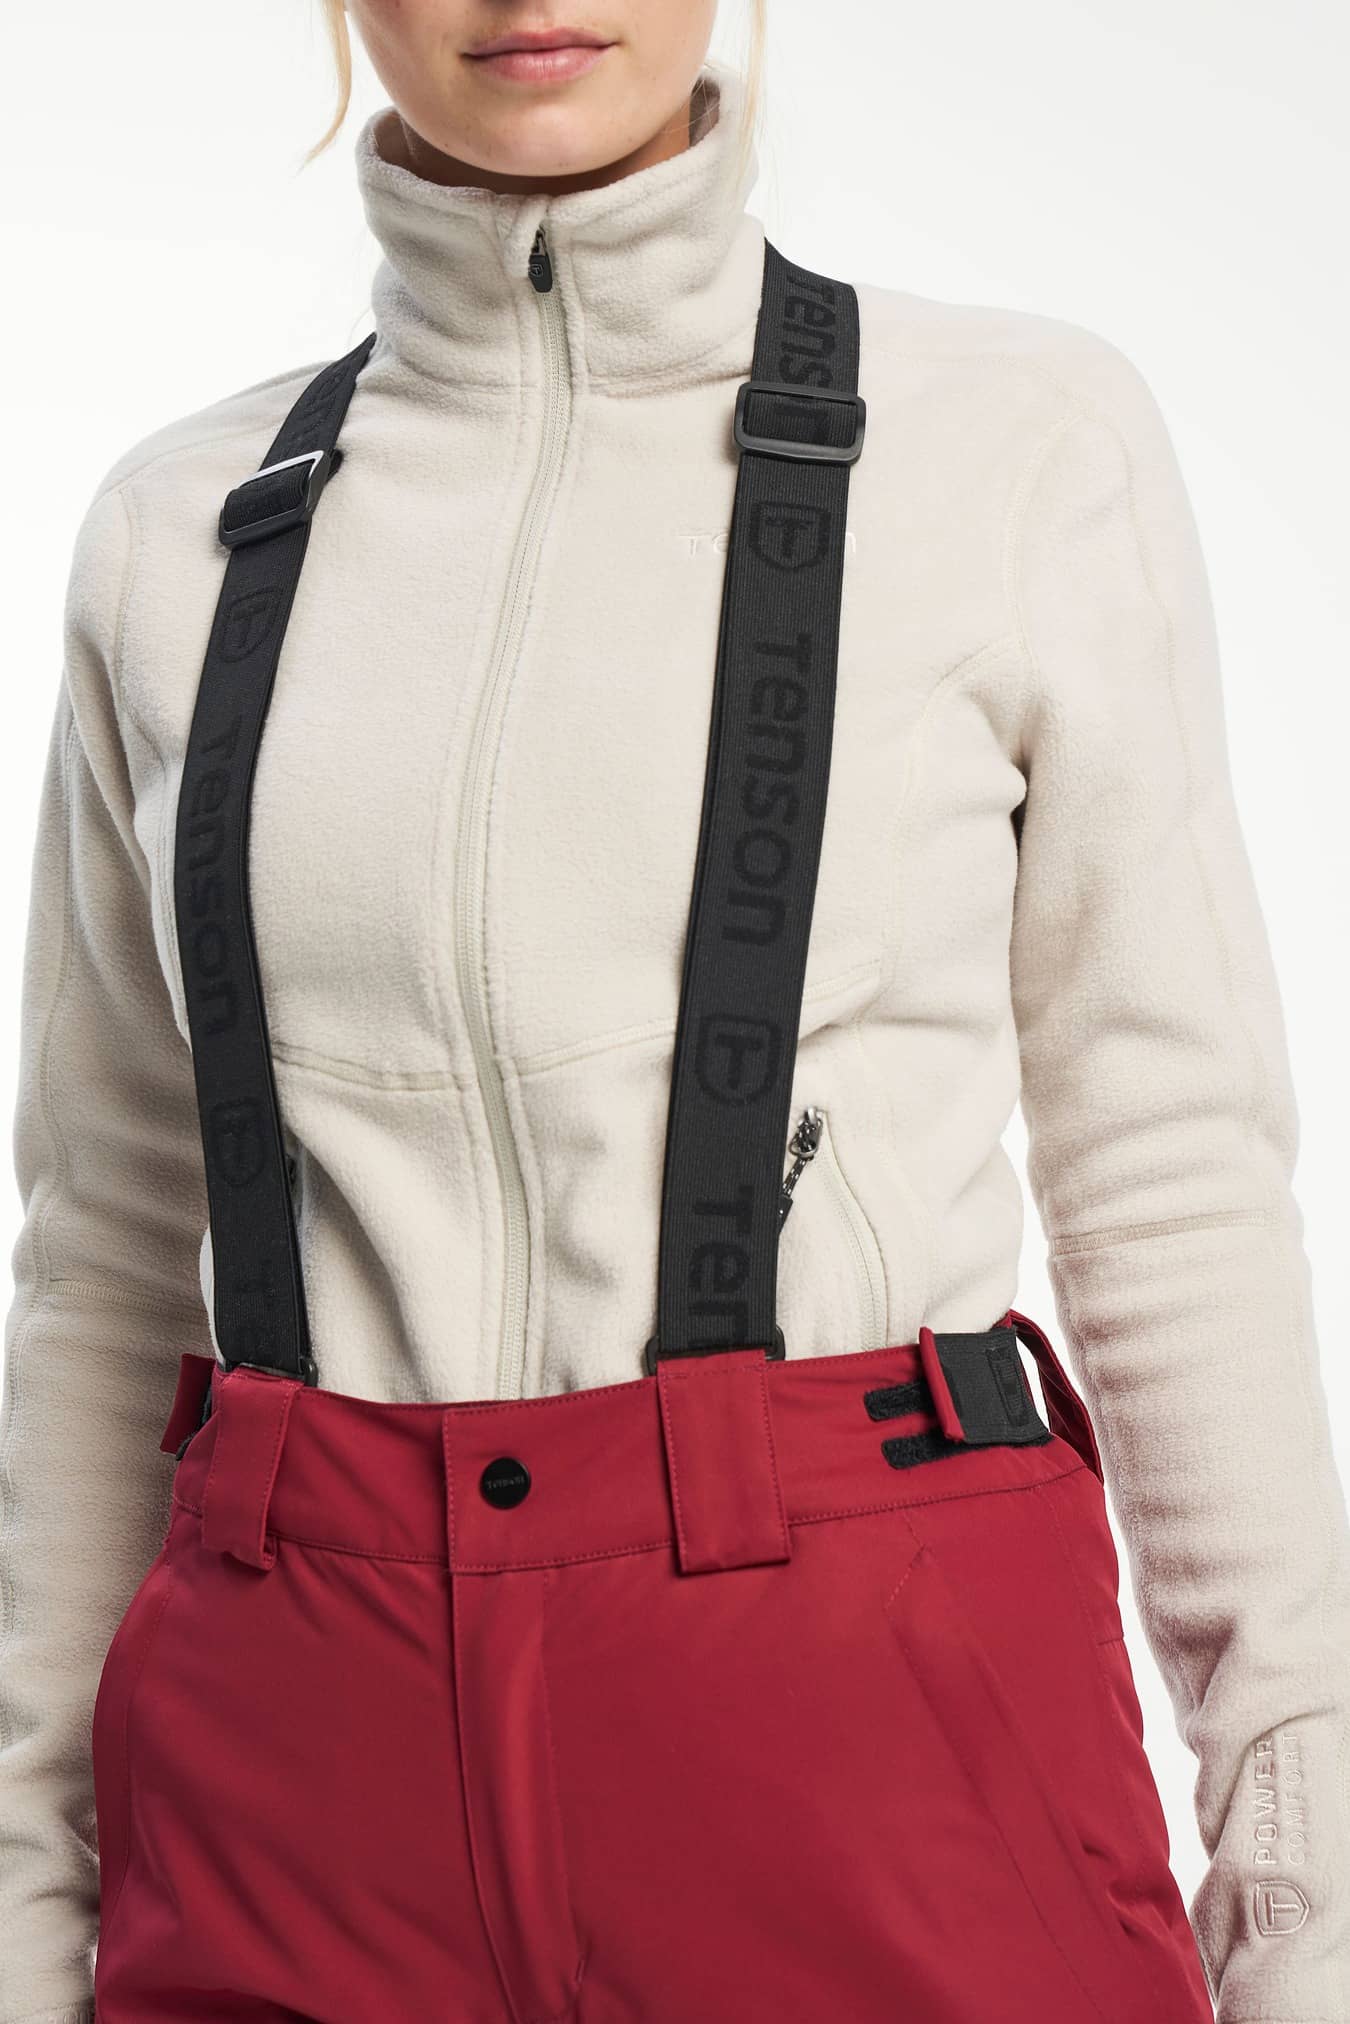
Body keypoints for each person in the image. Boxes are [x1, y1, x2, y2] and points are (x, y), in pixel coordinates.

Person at [1, 3, 1347, 2020]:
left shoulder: (1016, 448)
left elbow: (1167, 1183)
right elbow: (110, 1248)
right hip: (290, 1773)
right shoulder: (174, 533)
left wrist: (1304, 1900)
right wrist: (28, 1909)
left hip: (874, 1731)